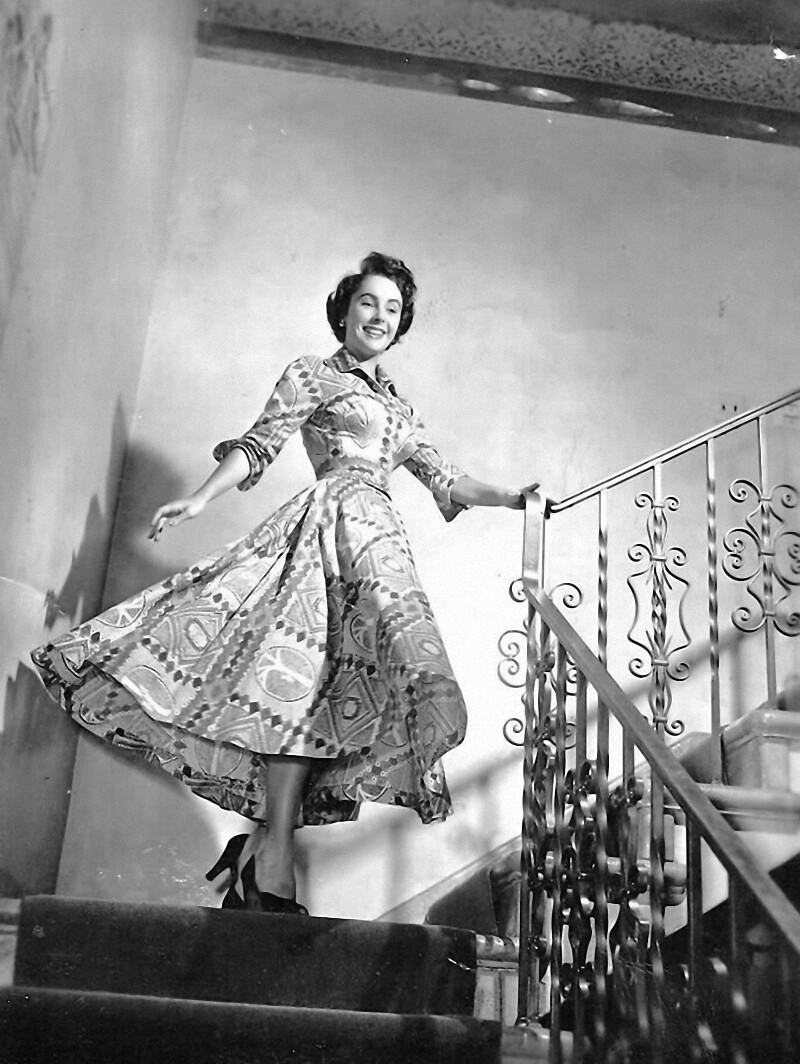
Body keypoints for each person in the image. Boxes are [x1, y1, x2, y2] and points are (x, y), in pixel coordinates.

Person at [32, 252, 533, 916]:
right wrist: (200, 498)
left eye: (392, 308)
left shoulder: (398, 406)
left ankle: (264, 850)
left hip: (379, 546)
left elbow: (447, 478)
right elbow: (259, 444)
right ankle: (273, 862)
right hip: (322, 533)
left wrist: (513, 497)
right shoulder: (312, 373)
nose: (380, 316)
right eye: (368, 302)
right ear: (344, 311)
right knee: (295, 688)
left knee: (386, 684)